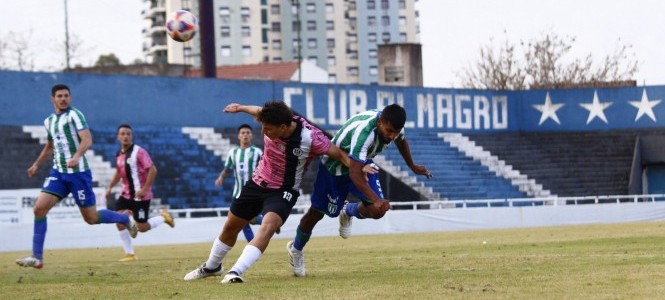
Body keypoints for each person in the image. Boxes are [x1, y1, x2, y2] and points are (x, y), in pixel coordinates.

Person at [183, 101, 354, 283]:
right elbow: (257, 110)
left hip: (283, 191)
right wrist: (240, 108)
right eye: (262, 127)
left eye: (268, 129)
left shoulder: (311, 137)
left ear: (282, 127)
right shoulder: (269, 117)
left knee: (268, 226)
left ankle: (235, 272)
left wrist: (362, 170)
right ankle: (212, 266)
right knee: (230, 227)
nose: (264, 133)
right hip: (257, 183)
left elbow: (341, 156)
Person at [287, 103, 432, 277]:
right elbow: (355, 174)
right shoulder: (364, 134)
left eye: (395, 131)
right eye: (389, 131)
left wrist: (413, 166)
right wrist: (376, 198)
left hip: (363, 163)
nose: (392, 136)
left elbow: (401, 140)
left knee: (377, 211)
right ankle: (296, 249)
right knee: (316, 213)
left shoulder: (394, 125)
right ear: (380, 122)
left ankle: (348, 210)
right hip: (335, 167)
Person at [16, 84, 138, 269]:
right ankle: (37, 257)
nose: (63, 99)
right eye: (59, 96)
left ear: (70, 98)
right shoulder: (49, 121)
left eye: (66, 96)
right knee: (39, 209)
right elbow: (50, 145)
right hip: (58, 173)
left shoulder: (75, 115)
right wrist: (37, 164)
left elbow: (87, 139)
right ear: (53, 99)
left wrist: (76, 156)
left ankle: (124, 219)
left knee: (91, 218)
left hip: (78, 173)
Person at [105, 124, 175, 262]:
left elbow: (153, 169)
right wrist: (110, 187)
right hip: (125, 194)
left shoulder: (139, 152)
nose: (125, 136)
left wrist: (144, 189)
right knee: (119, 221)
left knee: (141, 227)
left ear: (132, 136)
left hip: (140, 196)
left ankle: (164, 217)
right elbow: (119, 171)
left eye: (128, 134)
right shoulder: (119, 154)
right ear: (118, 137)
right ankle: (130, 254)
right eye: (123, 134)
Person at [215, 124, 265, 242]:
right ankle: (252, 244)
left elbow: (265, 168)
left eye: (248, 132)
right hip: (237, 193)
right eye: (243, 133)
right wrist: (221, 178)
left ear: (251, 135)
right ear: (238, 136)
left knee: (247, 220)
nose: (245, 135)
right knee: (241, 222)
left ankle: (268, 222)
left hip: (253, 192)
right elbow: (227, 169)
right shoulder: (233, 152)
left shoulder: (257, 152)